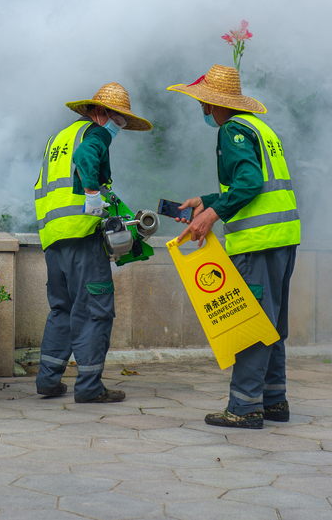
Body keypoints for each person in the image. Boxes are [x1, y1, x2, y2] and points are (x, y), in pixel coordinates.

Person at [167, 65, 301, 429]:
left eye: (204, 104)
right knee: (272, 325)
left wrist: (211, 215)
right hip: (282, 240)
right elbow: (253, 184)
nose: (204, 111)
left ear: (212, 104)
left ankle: (244, 408)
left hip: (258, 243)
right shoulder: (260, 128)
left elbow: (250, 182)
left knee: (251, 324)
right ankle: (274, 401)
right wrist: (207, 199)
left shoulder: (232, 130)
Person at [34, 83, 153, 403]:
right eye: (120, 120)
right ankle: (89, 387)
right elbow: (87, 159)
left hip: (53, 237)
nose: (120, 127)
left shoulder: (58, 139)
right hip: (83, 236)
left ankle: (47, 380)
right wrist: (92, 193)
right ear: (100, 113)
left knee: (62, 308)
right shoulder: (94, 134)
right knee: (95, 311)